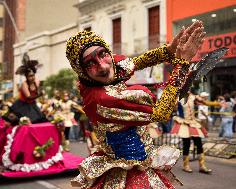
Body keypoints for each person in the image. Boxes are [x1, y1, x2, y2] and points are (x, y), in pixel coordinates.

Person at [66, 20, 205, 188]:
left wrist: (168, 51)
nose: (102, 66)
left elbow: (135, 62)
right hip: (130, 175)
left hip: (137, 161)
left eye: (102, 54)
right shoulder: (104, 99)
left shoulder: (97, 76)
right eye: (90, 63)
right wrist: (182, 63)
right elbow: (161, 113)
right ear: (82, 71)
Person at [171, 90, 212, 174]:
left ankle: (202, 166)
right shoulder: (178, 98)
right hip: (184, 123)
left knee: (199, 143)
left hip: (193, 123)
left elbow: (203, 103)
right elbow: (172, 108)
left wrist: (217, 104)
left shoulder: (193, 97)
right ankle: (185, 165)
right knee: (187, 144)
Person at [11, 53, 48, 124]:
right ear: (26, 77)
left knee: (41, 119)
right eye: (30, 76)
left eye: (33, 75)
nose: (32, 77)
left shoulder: (37, 82)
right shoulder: (24, 84)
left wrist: (43, 100)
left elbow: (38, 93)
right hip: (22, 105)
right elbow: (29, 97)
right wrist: (40, 94)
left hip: (32, 105)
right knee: (27, 121)